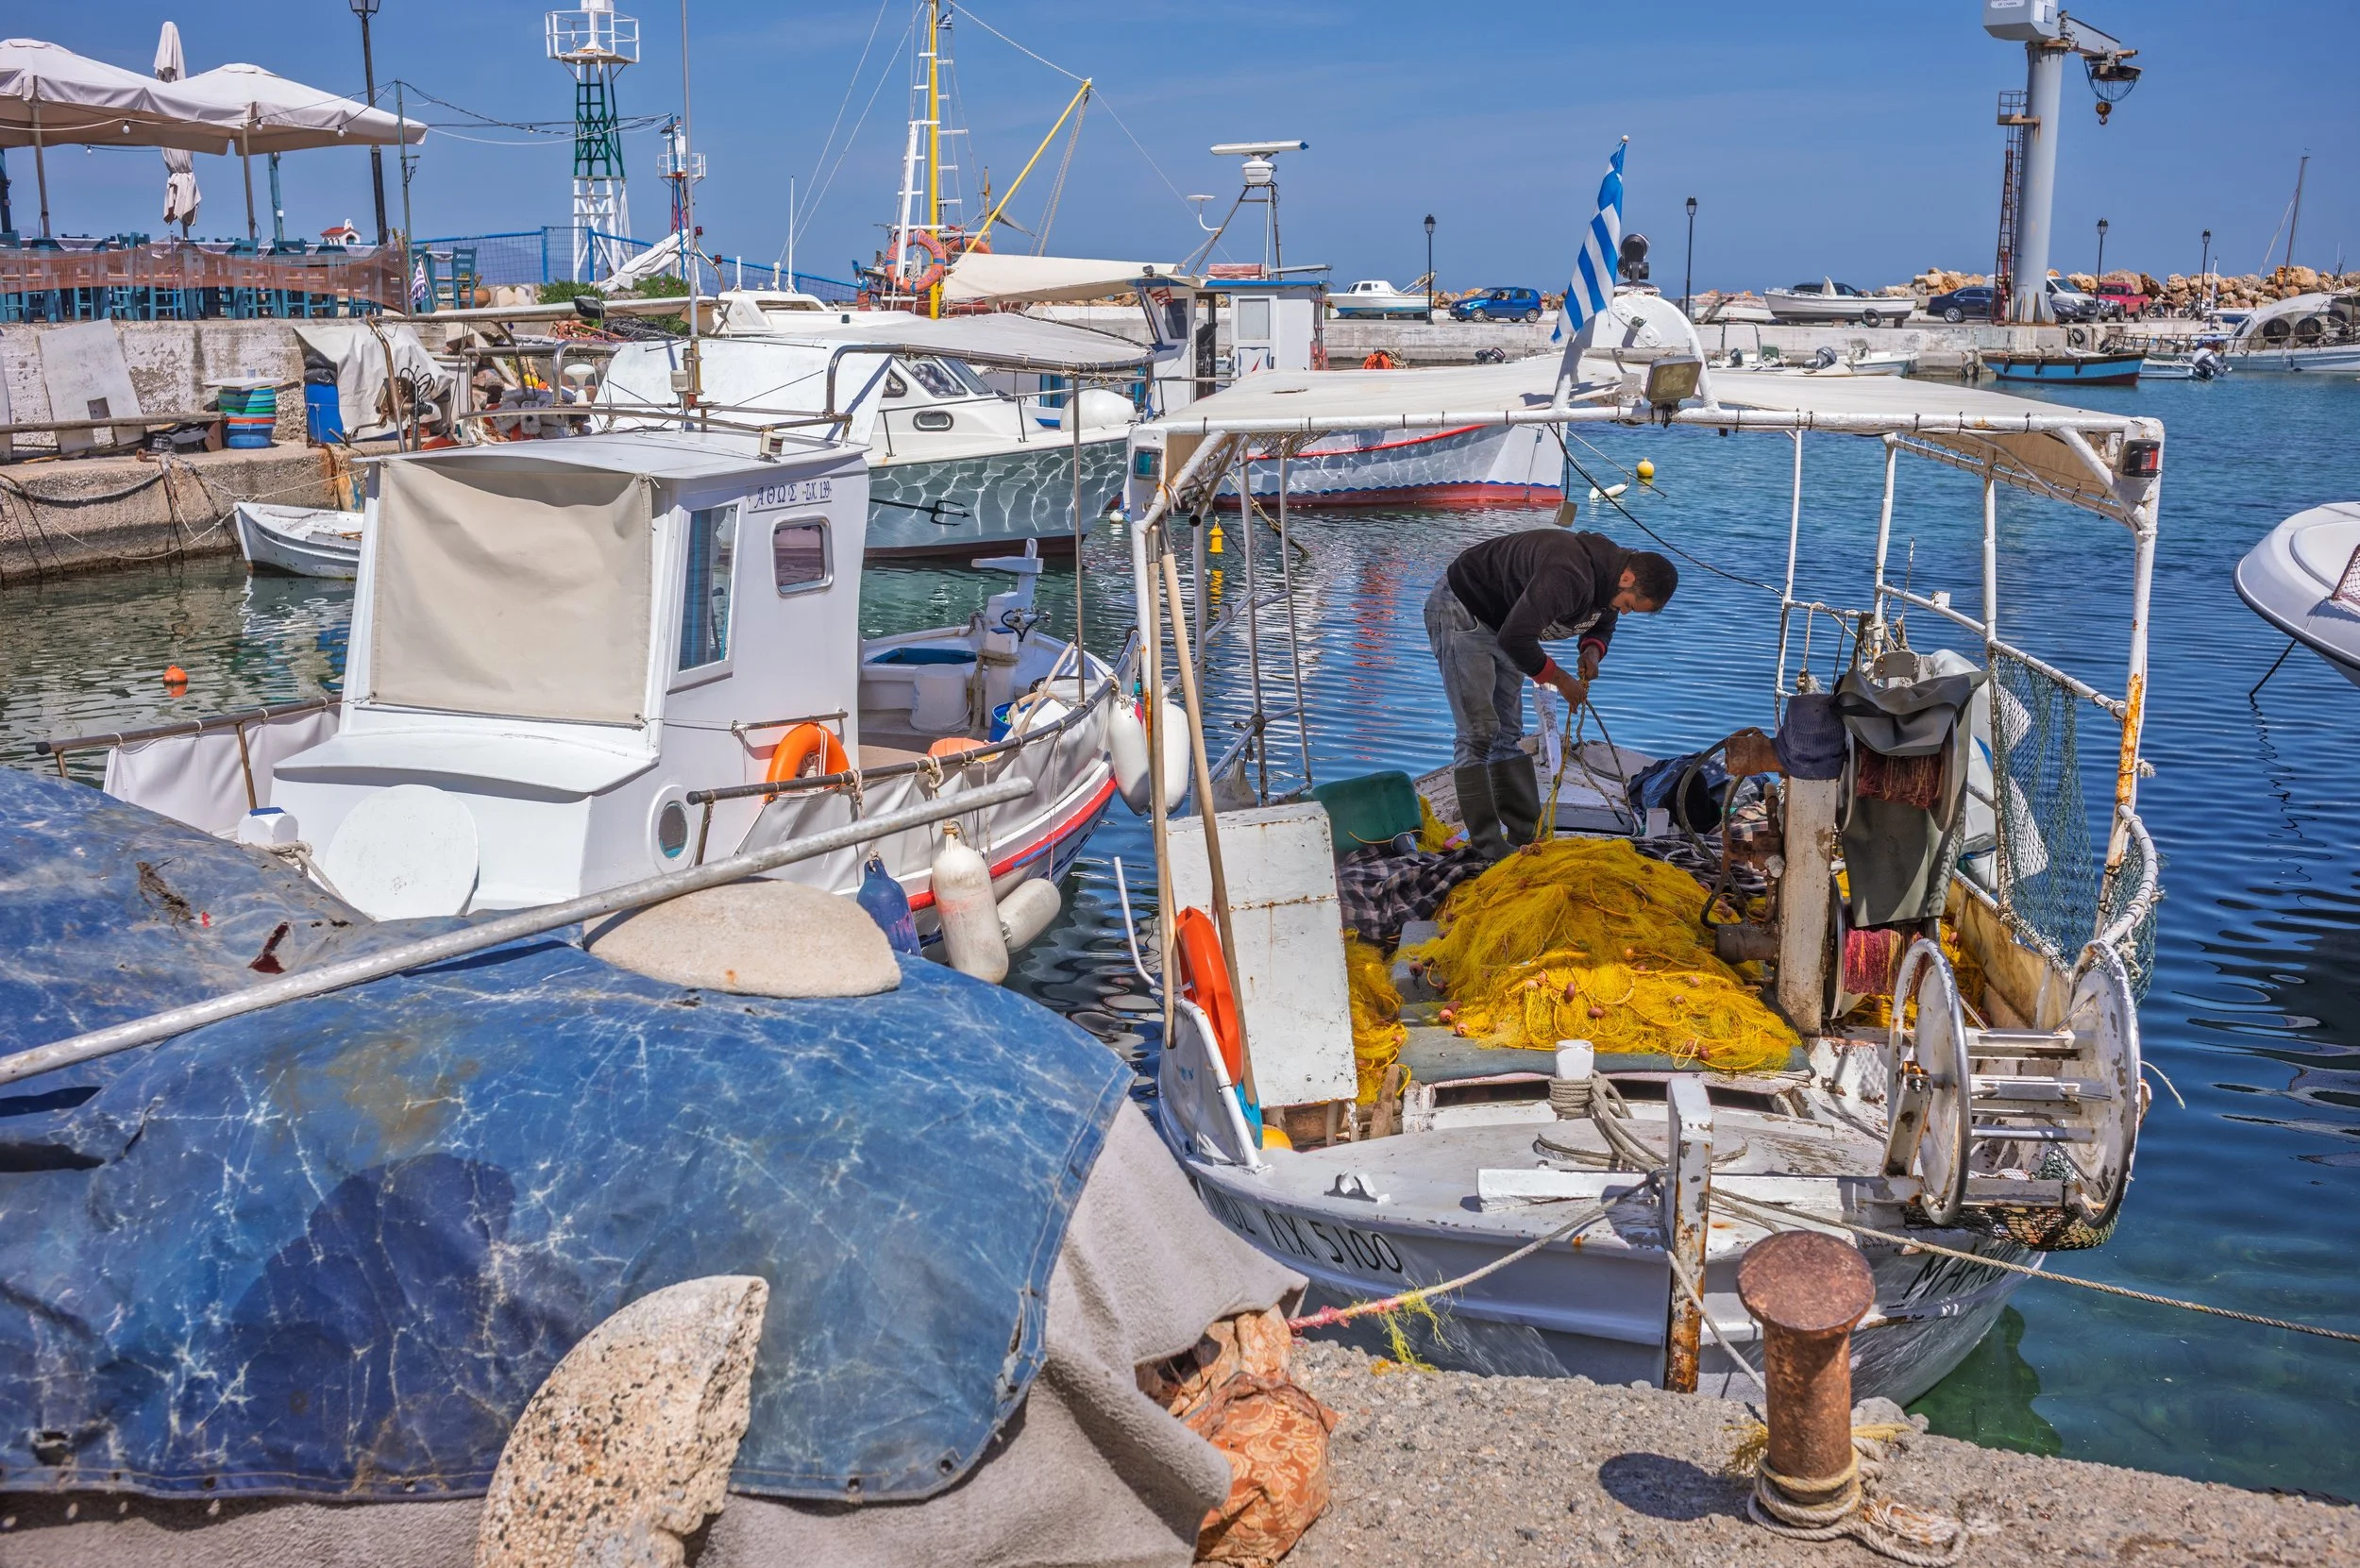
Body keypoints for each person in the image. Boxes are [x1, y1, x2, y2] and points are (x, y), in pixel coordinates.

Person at [1424, 529, 1677, 859]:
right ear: (1627, 578)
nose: (1625, 612)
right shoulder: (1569, 574)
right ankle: (1488, 847)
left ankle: (1526, 833)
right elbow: (1516, 639)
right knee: (1478, 732)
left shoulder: (1611, 580)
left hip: (1506, 624)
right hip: (1464, 609)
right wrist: (1561, 680)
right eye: (1630, 605)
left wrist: (1592, 653)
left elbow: (1604, 622)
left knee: (1508, 734)